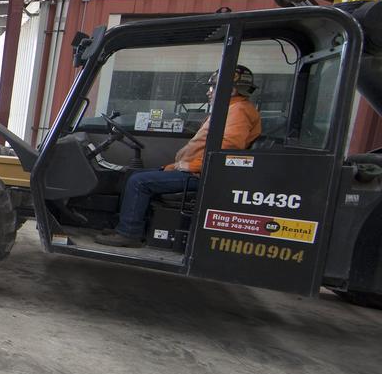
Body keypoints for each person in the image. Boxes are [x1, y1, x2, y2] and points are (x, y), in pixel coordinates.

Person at [96, 65, 262, 248]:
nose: (209, 91)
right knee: (133, 175)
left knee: (139, 182)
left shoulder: (237, 112)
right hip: (197, 170)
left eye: (213, 86)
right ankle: (125, 226)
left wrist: (191, 167)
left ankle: (129, 234)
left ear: (230, 90)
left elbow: (226, 151)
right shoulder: (229, 109)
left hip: (202, 175)